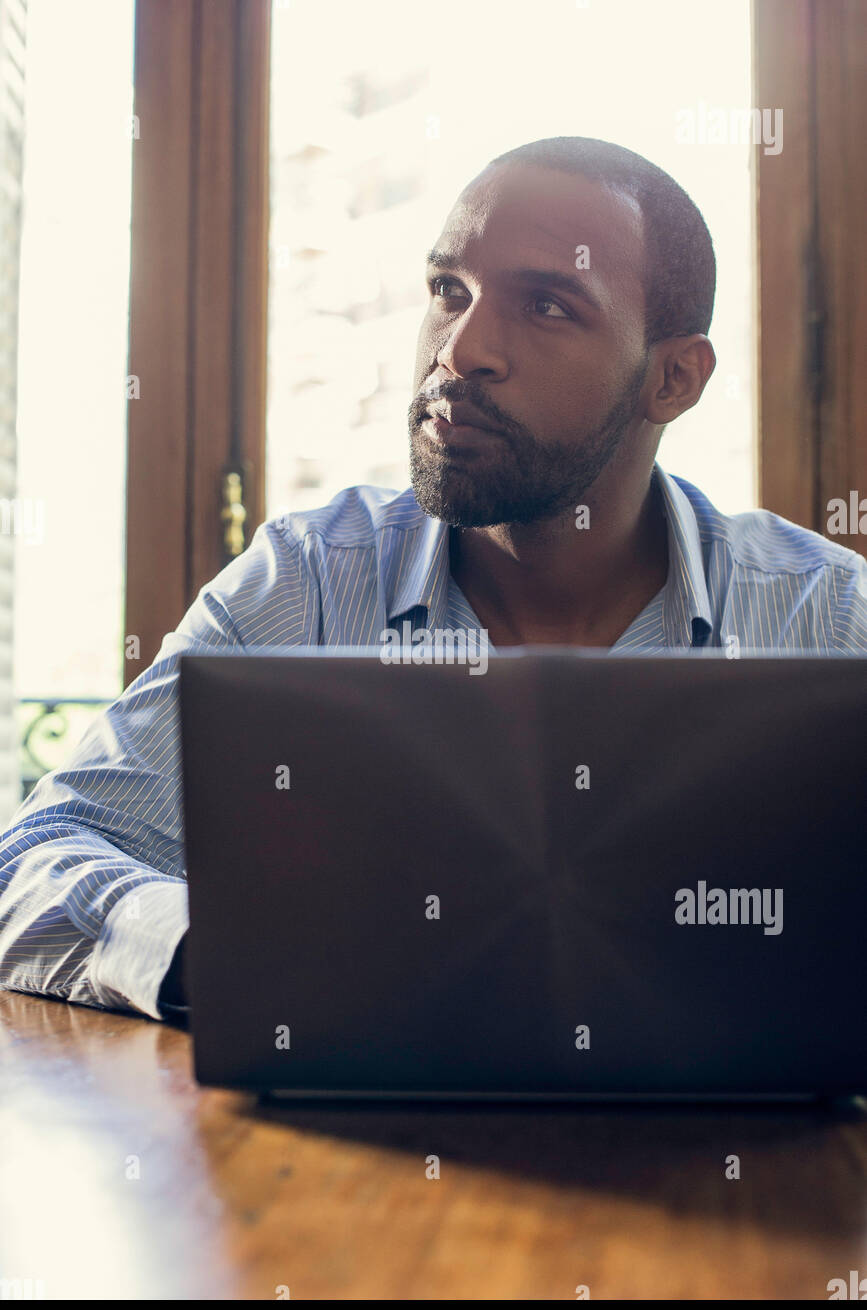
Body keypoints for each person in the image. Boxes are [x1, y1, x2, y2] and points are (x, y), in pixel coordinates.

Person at [1, 136, 865, 1021]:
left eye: (547, 306)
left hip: (736, 1154)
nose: (463, 349)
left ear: (673, 378)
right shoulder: (306, 581)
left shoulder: (828, 617)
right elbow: (36, 858)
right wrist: (225, 948)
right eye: (449, 292)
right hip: (348, 1147)